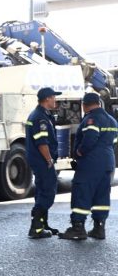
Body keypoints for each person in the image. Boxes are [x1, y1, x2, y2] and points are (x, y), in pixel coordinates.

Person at [59, 91, 118, 241]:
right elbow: (114, 142)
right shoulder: (112, 120)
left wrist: (78, 153)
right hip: (108, 163)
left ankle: (78, 228)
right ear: (99, 103)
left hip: (91, 163)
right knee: (101, 195)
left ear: (84, 105)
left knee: (82, 192)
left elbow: (90, 139)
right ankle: (99, 228)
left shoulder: (91, 119)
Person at [25, 87, 61, 238]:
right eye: (53, 97)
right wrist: (49, 159)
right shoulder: (40, 117)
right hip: (42, 161)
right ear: (47, 99)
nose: (55, 100)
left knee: (41, 191)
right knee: (48, 192)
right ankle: (36, 228)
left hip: (37, 160)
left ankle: (42, 224)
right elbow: (42, 142)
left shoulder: (39, 114)